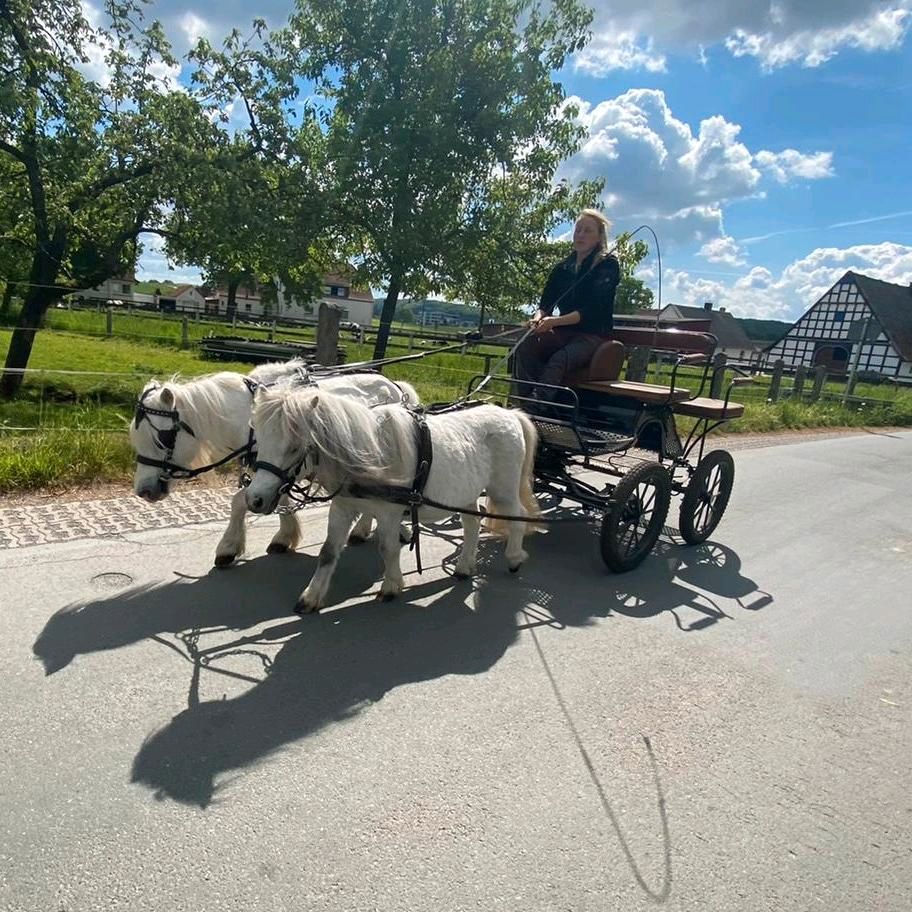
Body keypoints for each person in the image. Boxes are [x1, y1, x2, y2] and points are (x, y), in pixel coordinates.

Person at [512, 209, 620, 407]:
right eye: (578, 230)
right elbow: (545, 304)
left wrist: (555, 321)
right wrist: (538, 318)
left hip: (592, 336)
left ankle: (537, 406)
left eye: (587, 231)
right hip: (564, 333)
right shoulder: (562, 268)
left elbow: (591, 311)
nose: (580, 235)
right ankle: (524, 399)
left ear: (599, 237)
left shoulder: (608, 266)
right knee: (524, 342)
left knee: (560, 359)